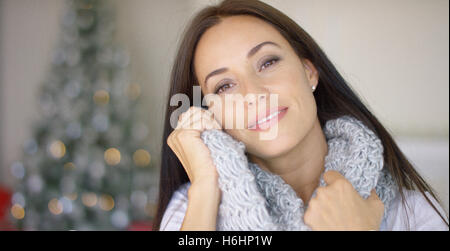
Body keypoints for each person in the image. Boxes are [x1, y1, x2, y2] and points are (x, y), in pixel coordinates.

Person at [153, 0, 449, 231]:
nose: (253, 93)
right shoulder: (193, 210)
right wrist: (206, 184)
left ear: (309, 72)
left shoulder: (413, 214)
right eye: (225, 86)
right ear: (211, 114)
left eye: (267, 62)